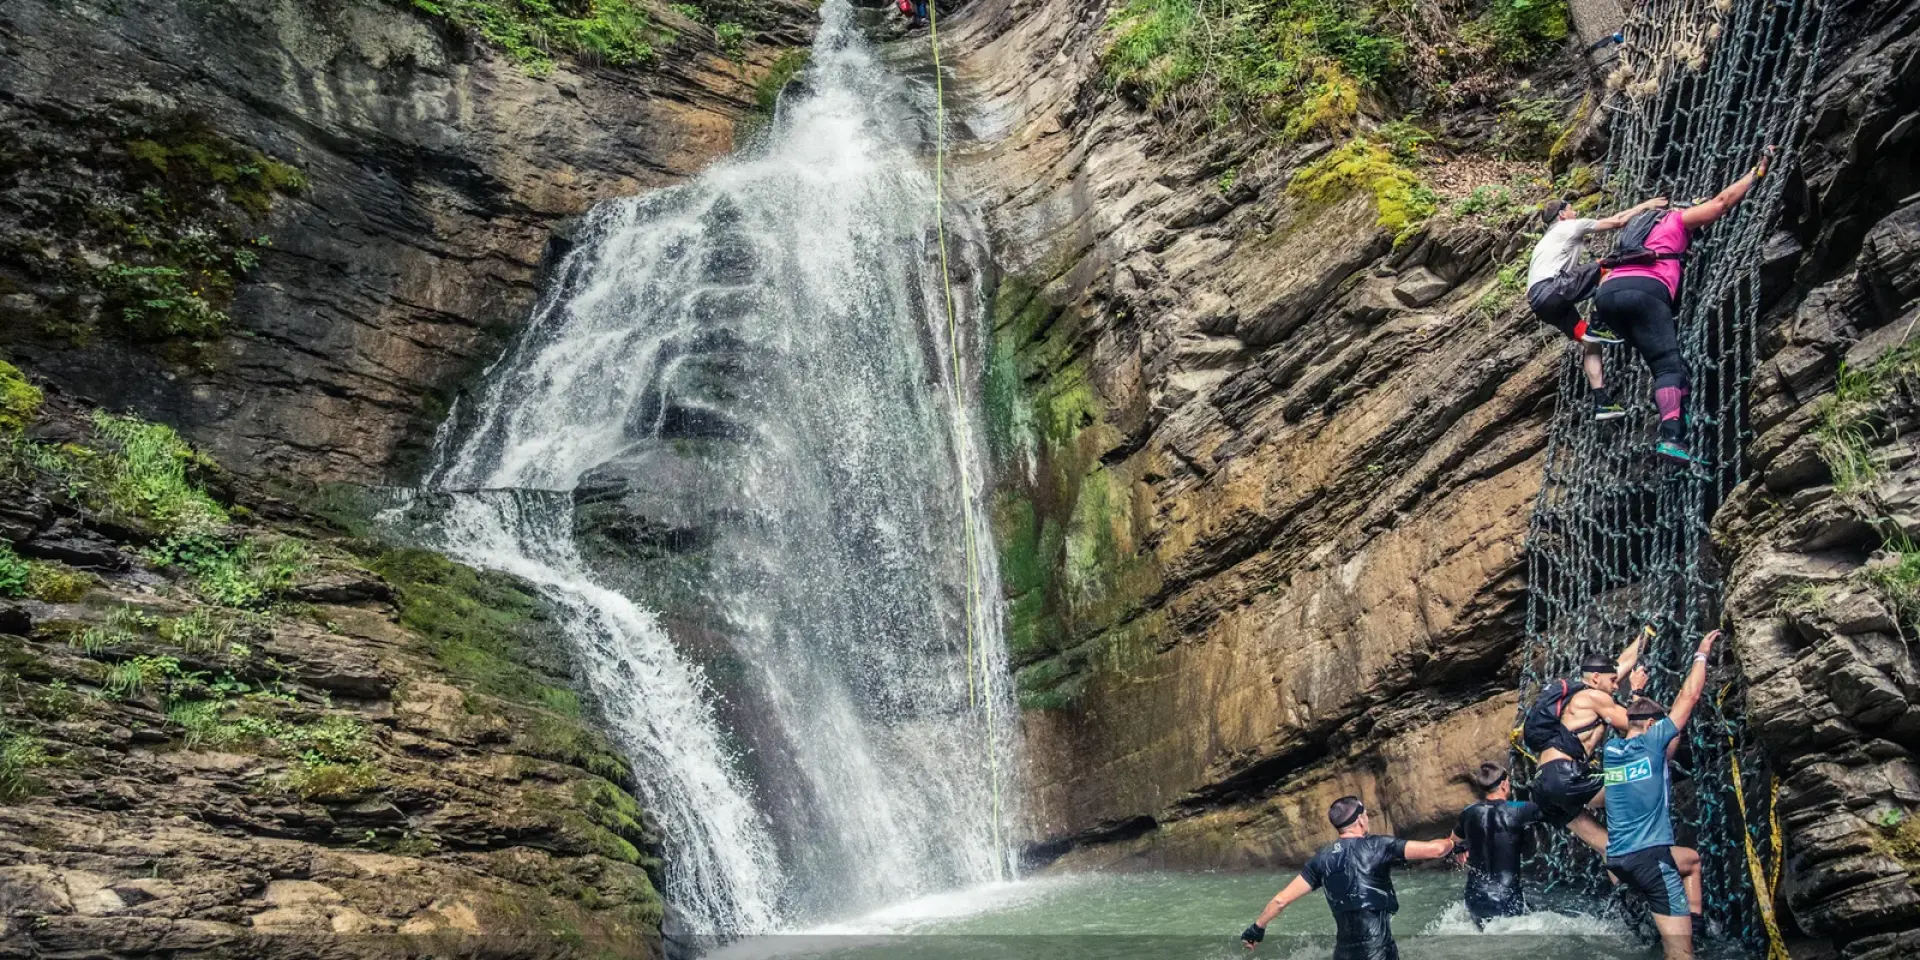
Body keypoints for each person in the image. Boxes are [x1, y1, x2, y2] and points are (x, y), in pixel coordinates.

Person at [1593, 147, 1775, 464]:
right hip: (1645, 291)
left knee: (1665, 364)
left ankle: (1679, 410)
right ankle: (1671, 438)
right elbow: (1720, 204)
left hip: (1607, 296)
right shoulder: (1676, 218)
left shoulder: (1636, 227)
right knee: (1668, 367)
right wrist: (1755, 173)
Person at [1602, 629, 1719, 959]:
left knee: (1690, 860)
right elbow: (1688, 697)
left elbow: (1634, 719)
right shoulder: (1653, 743)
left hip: (1618, 860)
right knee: (1681, 955)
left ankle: (1693, 925)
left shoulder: (1611, 751)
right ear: (1654, 727)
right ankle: (1685, 939)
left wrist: (1636, 692)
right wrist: (1701, 654)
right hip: (1652, 859)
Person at [1239, 796, 1455, 958]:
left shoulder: (1321, 859)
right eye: (1366, 815)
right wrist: (1455, 843)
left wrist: (1257, 928)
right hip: (1378, 951)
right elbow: (1436, 850)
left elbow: (1280, 900)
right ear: (1360, 820)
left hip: (1343, 954)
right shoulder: (1379, 846)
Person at [1527, 195, 1671, 421]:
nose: (1575, 213)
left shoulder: (1546, 241)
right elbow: (1617, 221)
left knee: (1591, 344)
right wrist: (1646, 205)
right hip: (1553, 287)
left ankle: (1602, 401)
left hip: (1540, 302)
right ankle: (1598, 323)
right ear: (1562, 215)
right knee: (1608, 268)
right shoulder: (1570, 226)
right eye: (1572, 209)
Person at [1519, 625, 1652, 853]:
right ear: (1597, 678)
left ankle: (1624, 872)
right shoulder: (1594, 697)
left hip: (1542, 784)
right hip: (1565, 777)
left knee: (1610, 849)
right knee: (1645, 774)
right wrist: (1637, 692)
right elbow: (1636, 724)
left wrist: (1646, 634)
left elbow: (1620, 664)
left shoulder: (1578, 694)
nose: (1617, 686)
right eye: (1613, 681)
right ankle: (1652, 847)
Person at [1448, 763, 1542, 929]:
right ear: (1504, 784)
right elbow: (1553, 810)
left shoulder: (1468, 813)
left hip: (1475, 899)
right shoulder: (1519, 810)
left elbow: (1452, 841)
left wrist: (1460, 849)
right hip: (1507, 899)